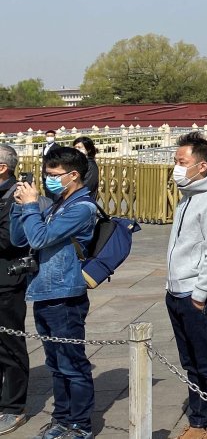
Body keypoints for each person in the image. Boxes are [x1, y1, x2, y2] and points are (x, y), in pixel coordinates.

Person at [10, 146, 97, 439]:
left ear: (74, 175)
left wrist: (31, 206)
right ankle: (61, 419)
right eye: (47, 173)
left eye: (55, 174)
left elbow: (40, 238)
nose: (49, 179)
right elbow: (19, 239)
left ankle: (80, 425)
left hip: (65, 294)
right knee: (56, 365)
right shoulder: (58, 204)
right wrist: (19, 206)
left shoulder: (82, 208)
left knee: (72, 364)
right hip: (43, 291)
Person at [166, 132, 207, 439]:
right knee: (191, 363)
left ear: (202, 166)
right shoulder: (188, 196)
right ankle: (197, 420)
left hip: (198, 296)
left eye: (182, 162)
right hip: (176, 291)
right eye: (176, 161)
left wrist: (200, 292)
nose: (177, 167)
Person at [0, 145, 30, 436]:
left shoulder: (15, 196)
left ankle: (13, 407)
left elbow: (11, 240)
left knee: (10, 346)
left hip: (7, 282)